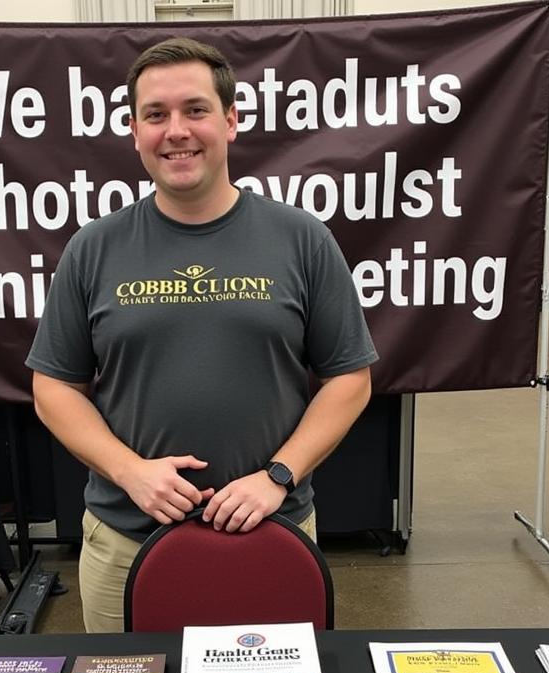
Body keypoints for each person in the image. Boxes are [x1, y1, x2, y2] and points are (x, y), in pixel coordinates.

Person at [27, 37, 377, 632]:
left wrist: (278, 476)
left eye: (195, 110)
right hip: (125, 540)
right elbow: (54, 387)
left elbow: (350, 378)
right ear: (135, 132)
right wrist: (130, 470)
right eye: (155, 115)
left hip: (274, 533)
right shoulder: (95, 248)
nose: (176, 131)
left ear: (231, 120)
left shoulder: (301, 239)